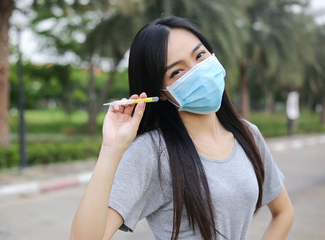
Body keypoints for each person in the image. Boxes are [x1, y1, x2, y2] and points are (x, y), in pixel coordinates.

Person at [71, 16, 294, 240]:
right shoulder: (153, 152)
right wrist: (111, 148)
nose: (198, 71)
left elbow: (284, 212)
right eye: (177, 72)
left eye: (200, 55)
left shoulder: (249, 134)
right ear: (160, 93)